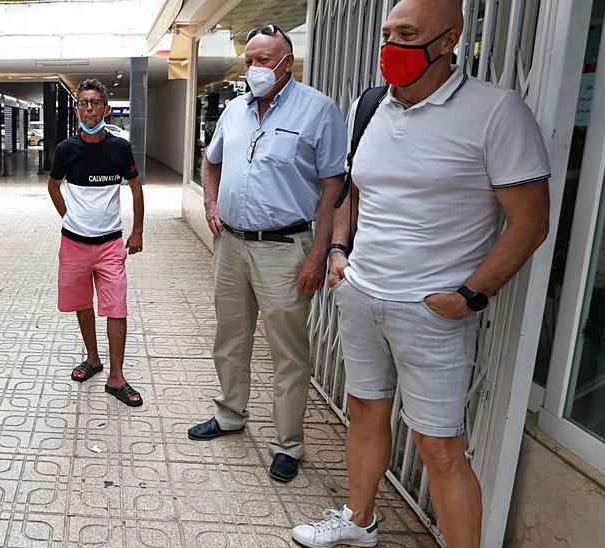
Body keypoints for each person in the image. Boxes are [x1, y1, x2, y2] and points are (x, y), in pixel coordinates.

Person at [290, 1, 550, 546]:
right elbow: (352, 191)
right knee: (364, 412)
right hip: (362, 293)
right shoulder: (371, 106)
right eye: (388, 33)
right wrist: (340, 254)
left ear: (449, 39)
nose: (391, 47)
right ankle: (359, 522)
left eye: (406, 34)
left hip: (433, 311)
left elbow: (530, 224)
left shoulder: (496, 111)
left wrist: (469, 297)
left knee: (439, 447)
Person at [187, 25, 347, 484]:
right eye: (249, 60)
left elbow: (334, 185)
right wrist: (210, 203)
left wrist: (320, 251)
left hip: (286, 247)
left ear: (287, 63)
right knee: (230, 339)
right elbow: (211, 160)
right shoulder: (234, 111)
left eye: (263, 60)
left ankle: (288, 444)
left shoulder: (319, 111)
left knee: (287, 352)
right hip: (232, 245)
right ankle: (230, 413)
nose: (254, 68)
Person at [47, 79, 146, 407]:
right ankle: (93, 358)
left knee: (116, 307)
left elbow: (135, 189)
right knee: (81, 302)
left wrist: (137, 231)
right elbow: (53, 186)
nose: (89, 108)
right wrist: (68, 216)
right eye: (84, 103)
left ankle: (116, 376)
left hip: (110, 245)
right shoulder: (66, 150)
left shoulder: (119, 148)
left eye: (95, 102)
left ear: (107, 108)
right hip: (73, 244)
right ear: (78, 109)